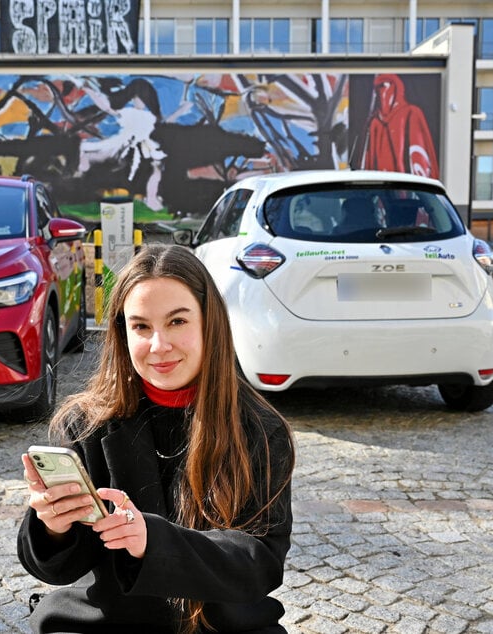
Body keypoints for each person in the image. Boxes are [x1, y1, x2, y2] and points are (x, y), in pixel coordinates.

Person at [17, 244, 296, 634]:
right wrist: (52, 527)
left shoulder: (260, 429)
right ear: (122, 332)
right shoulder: (85, 422)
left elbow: (261, 561)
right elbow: (57, 570)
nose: (158, 345)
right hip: (108, 621)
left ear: (208, 323)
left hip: (224, 626)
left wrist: (153, 540)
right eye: (141, 327)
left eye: (177, 322)